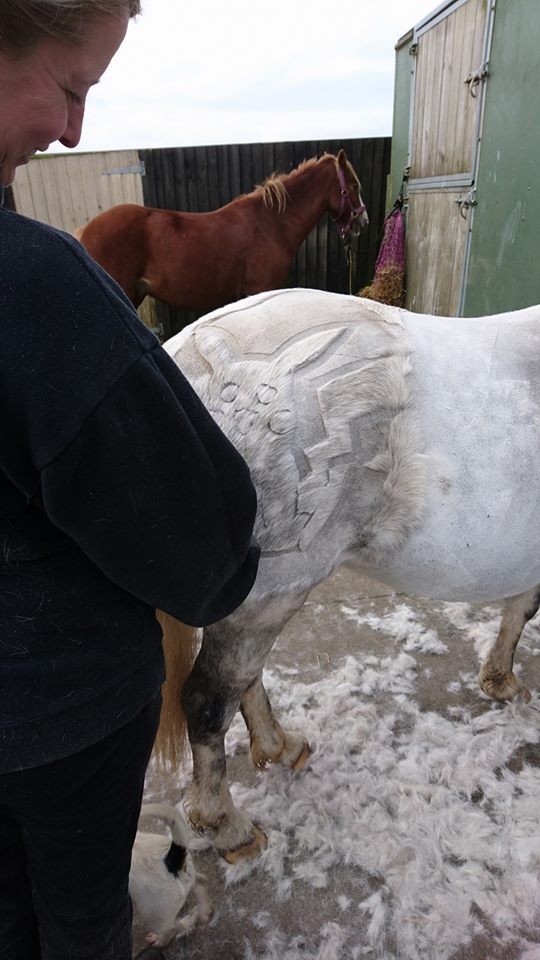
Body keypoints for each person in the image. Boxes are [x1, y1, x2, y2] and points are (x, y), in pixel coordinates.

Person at [0, 2, 260, 958]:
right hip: (52, 721)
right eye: (71, 88)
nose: (73, 130)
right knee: (78, 920)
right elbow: (205, 552)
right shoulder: (34, 289)